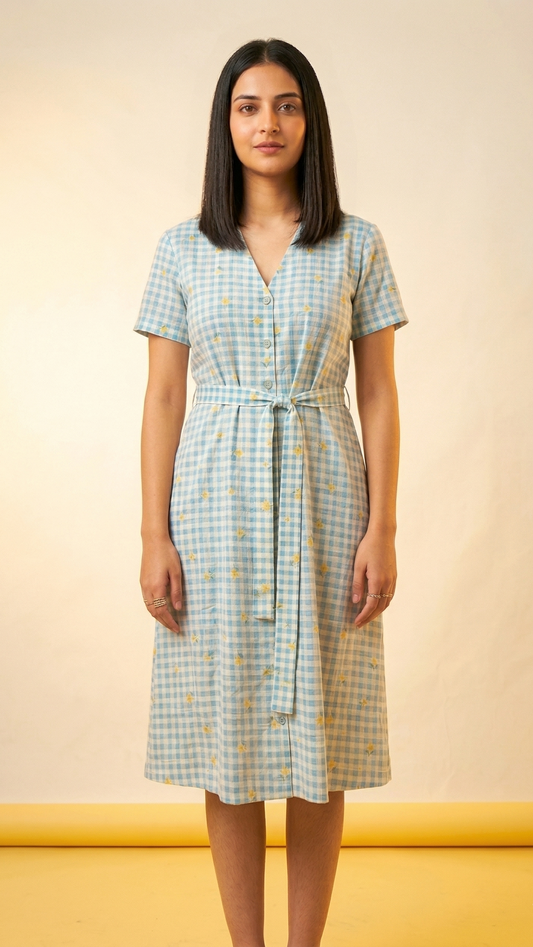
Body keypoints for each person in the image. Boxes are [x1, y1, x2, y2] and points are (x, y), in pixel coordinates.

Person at [134, 37, 408, 947]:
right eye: (248, 106)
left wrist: (383, 529)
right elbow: (164, 396)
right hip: (211, 509)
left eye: (286, 105)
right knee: (229, 739)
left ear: (309, 120)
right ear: (225, 123)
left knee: (316, 742)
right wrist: (152, 536)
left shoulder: (354, 244)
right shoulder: (182, 248)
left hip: (327, 499)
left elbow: (375, 393)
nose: (268, 123)